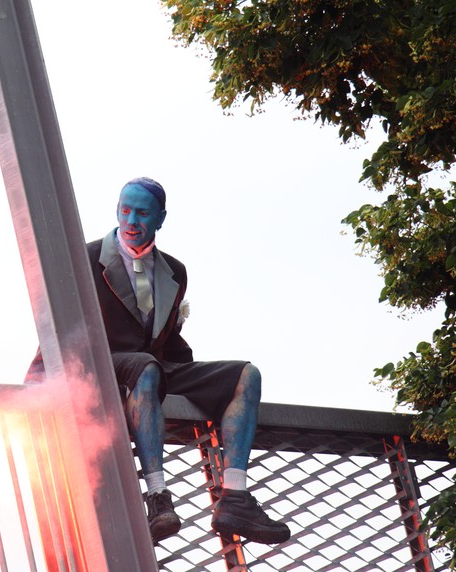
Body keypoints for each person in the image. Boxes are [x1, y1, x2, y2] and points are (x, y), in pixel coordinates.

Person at [27, 177, 290, 545]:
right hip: (103, 364)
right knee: (146, 369)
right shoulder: (82, 259)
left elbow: (166, 337)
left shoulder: (175, 271)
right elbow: (58, 325)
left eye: (142, 212)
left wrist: (196, 382)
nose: (131, 220)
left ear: (160, 218)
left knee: (246, 375)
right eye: (125, 210)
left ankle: (234, 498)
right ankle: (157, 497)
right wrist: (37, 382)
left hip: (153, 365)